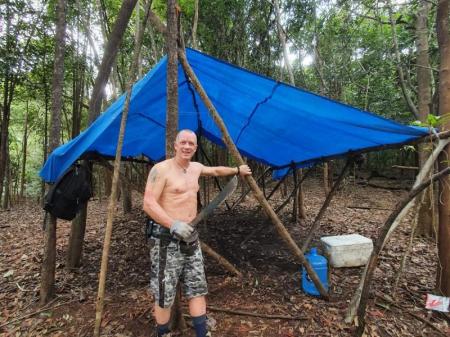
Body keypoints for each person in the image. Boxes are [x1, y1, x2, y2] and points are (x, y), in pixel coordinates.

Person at [143, 129, 252, 337]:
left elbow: (216, 171)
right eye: (182, 142)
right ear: (175, 145)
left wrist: (236, 170)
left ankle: (202, 333)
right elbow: (148, 203)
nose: (186, 146)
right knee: (164, 294)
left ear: (195, 147)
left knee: (197, 287)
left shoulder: (195, 167)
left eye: (191, 144)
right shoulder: (161, 169)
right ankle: (163, 334)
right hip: (166, 240)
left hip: (191, 238)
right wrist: (173, 224)